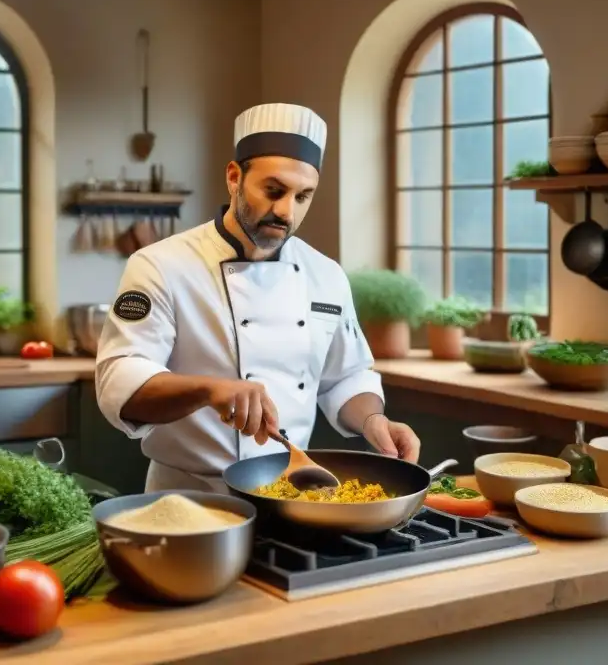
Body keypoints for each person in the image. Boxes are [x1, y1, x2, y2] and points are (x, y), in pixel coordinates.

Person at [94, 102, 421, 493]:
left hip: (291, 492)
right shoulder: (160, 265)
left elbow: (347, 376)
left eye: (303, 197)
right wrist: (209, 390)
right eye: (273, 190)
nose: (285, 211)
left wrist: (373, 422)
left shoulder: (326, 275)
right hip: (190, 498)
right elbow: (121, 380)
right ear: (234, 177)